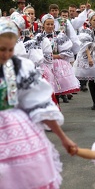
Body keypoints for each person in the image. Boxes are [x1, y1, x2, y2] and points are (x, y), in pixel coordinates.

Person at [0, 17, 77, 189]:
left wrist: (63, 138)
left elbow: (39, 103)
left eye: (10, 49)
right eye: (1, 49)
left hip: (16, 132)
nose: (6, 54)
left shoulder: (20, 69)